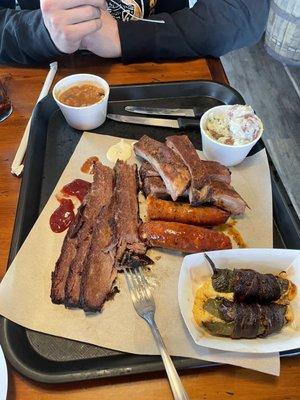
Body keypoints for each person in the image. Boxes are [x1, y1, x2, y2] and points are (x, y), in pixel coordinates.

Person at [0, 0, 270, 65]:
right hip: (39, 76)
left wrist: (126, 36)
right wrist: (42, 31)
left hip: (161, 70)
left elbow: (243, 11)